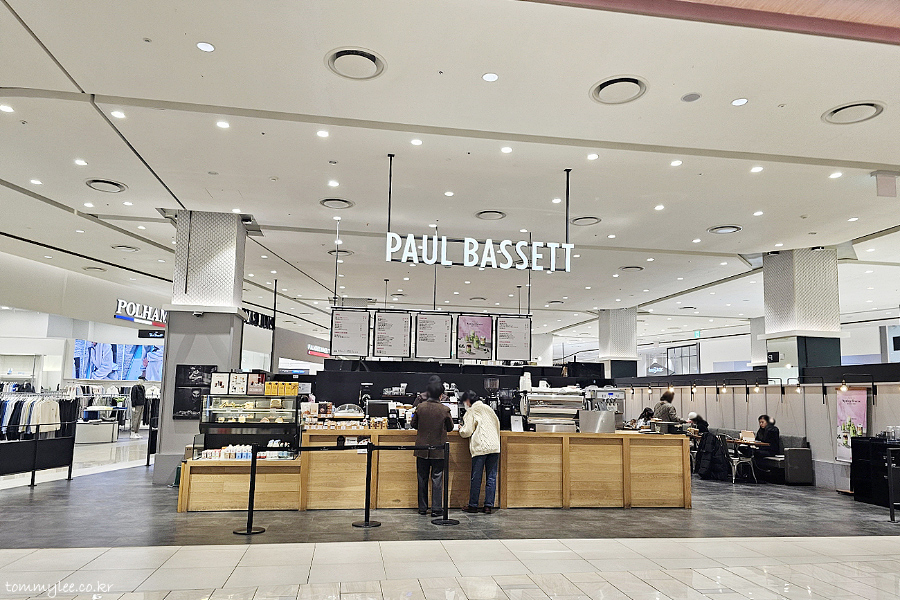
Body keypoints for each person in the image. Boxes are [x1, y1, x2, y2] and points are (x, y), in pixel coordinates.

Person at [411, 380, 454, 516]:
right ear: (441, 395)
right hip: (439, 449)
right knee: (437, 478)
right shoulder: (445, 409)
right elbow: (450, 427)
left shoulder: (420, 407)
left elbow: (413, 424)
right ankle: (436, 509)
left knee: (422, 477)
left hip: (421, 448)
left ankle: (422, 508)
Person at [459, 390, 501, 514]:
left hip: (480, 447)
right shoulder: (489, 408)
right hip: (494, 446)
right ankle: (488, 506)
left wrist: (461, 429)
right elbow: (497, 425)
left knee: (476, 477)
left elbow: (467, 432)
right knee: (491, 477)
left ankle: (473, 505)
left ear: (467, 401)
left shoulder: (471, 411)